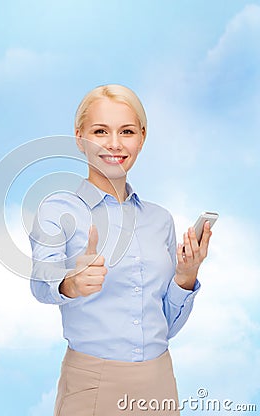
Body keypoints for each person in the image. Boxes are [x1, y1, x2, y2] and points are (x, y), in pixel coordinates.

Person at [29, 84, 212, 416]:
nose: (114, 143)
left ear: (141, 138)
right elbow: (41, 284)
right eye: (101, 131)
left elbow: (165, 325)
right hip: (92, 383)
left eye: (126, 131)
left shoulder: (160, 220)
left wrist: (186, 278)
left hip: (159, 382)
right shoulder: (57, 209)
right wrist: (71, 282)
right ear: (79, 136)